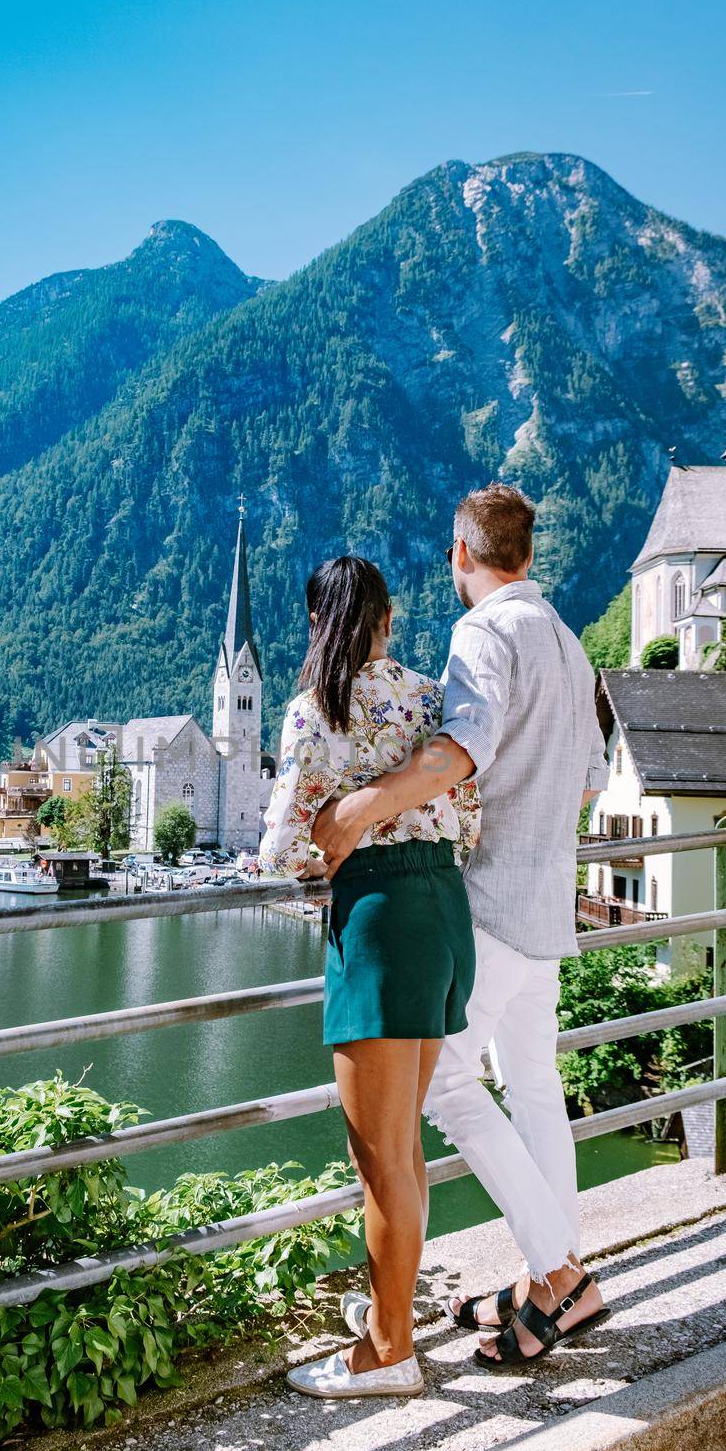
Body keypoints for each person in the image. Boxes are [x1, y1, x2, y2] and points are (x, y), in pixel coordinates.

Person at [314, 485, 612, 1369]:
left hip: (483, 906)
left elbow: (459, 746)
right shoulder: (566, 640)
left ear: (460, 555)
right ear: (526, 553)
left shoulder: (485, 632)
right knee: (532, 1086)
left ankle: (560, 1275)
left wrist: (358, 809)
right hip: (549, 903)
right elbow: (593, 781)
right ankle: (548, 1279)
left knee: (444, 1090)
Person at [260, 556, 479, 1398]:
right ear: (387, 617)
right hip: (441, 906)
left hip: (378, 917)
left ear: (318, 624)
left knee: (378, 1156)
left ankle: (389, 1353)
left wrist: (327, 828)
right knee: (405, 1146)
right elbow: (466, 805)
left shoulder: (316, 709)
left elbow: (286, 843)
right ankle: (392, 1316)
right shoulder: (430, 699)